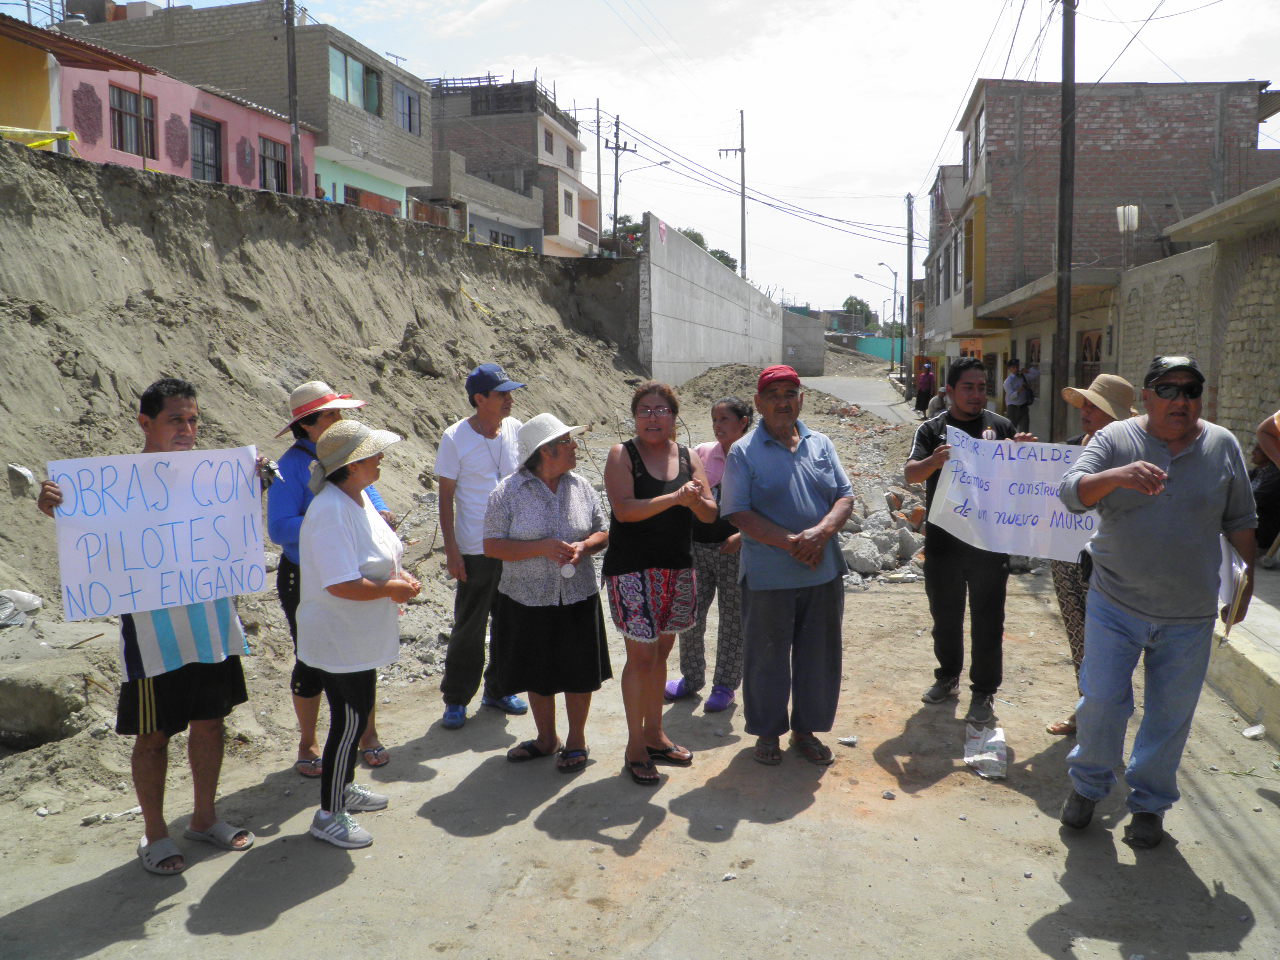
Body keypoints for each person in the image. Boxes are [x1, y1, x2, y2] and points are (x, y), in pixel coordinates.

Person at [37, 378, 254, 876]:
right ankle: (155, 833)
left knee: (211, 723)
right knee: (153, 736)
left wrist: (251, 479)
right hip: (154, 638)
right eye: (177, 419)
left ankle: (204, 818)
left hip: (212, 626)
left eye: (194, 419)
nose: (188, 429)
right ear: (145, 423)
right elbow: (87, 534)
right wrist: (58, 504)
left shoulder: (211, 476)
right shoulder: (111, 483)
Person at [1057, 356, 1255, 849]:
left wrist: (1243, 588)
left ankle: (1148, 805)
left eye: (1191, 390)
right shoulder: (1114, 440)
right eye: (1169, 389)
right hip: (1115, 601)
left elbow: (1241, 520)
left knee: (1170, 715)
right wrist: (1118, 476)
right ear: (1147, 397)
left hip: (1189, 614)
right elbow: (1070, 494)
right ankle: (1088, 786)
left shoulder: (1222, 445)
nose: (1181, 400)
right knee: (1102, 701)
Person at [721, 365, 854, 766]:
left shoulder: (821, 443)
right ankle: (767, 733)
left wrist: (822, 532)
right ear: (759, 403)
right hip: (768, 576)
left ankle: (806, 732)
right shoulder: (743, 451)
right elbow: (737, 513)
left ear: (801, 399)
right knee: (766, 657)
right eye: (774, 394)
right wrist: (795, 543)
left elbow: (845, 496)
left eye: (790, 392)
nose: (783, 401)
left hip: (822, 572)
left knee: (819, 656)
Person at [297, 420, 421, 848]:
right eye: (372, 454)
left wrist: (397, 575)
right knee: (349, 720)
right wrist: (393, 587)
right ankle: (329, 812)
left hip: (356, 635)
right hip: (338, 635)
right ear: (351, 466)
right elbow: (339, 582)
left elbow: (375, 556)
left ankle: (343, 789)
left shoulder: (356, 498)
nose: (381, 459)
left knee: (357, 710)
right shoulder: (330, 510)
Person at [267, 380, 395, 776]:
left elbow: (370, 501)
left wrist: (379, 517)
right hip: (306, 574)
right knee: (311, 660)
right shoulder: (289, 467)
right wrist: (335, 524)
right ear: (307, 425)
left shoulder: (347, 463)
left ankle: (367, 734)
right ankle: (308, 743)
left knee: (363, 651)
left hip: (352, 569)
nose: (339, 419)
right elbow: (279, 527)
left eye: (340, 413)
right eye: (331, 415)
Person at [905, 355, 1033, 725]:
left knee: (988, 621)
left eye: (982, 388)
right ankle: (947, 677)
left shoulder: (1002, 426)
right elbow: (911, 474)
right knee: (944, 618)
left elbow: (1021, 480)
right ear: (949, 391)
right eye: (968, 388)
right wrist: (934, 461)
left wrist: (1022, 454)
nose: (977, 395)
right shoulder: (932, 430)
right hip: (944, 544)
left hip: (990, 545)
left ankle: (984, 692)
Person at [603, 381, 718, 785]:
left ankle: (655, 734)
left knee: (661, 654)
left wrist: (697, 501)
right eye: (645, 411)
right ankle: (635, 745)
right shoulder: (622, 455)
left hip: (677, 569)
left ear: (674, 416)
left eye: (661, 410)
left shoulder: (688, 457)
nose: (653, 418)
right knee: (640, 659)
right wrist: (675, 499)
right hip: (632, 570)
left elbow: (708, 515)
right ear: (635, 418)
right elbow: (624, 511)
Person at [483, 413, 611, 773]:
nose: (575, 447)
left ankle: (575, 741)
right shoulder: (507, 492)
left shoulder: (581, 486)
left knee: (578, 671)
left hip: (577, 594)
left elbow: (603, 531)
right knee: (537, 672)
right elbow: (491, 546)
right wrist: (540, 548)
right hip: (527, 598)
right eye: (568, 442)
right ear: (546, 451)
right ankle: (545, 739)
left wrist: (585, 546)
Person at [435, 363, 528, 730]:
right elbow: (445, 499)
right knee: (470, 626)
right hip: (475, 549)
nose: (510, 399)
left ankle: (499, 689)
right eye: (502, 393)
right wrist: (452, 552)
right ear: (479, 399)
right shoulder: (455, 437)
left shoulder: (516, 429)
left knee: (510, 623)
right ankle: (456, 698)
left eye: (510, 392)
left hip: (514, 546)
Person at [1046, 374, 1136, 737]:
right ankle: (1086, 709)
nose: (1084, 412)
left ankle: (1105, 718)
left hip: (1107, 562)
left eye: (1094, 407)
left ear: (1114, 417)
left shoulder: (1129, 457)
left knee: (1109, 642)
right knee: (1078, 637)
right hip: (1065, 557)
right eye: (1085, 404)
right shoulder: (1069, 450)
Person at [665, 397, 753, 712]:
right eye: (715, 420)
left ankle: (725, 686)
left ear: (743, 422)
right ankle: (691, 679)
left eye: (725, 419)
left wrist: (743, 537)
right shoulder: (703, 454)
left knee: (732, 620)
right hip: (697, 549)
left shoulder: (754, 458)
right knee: (690, 615)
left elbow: (767, 506)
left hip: (735, 550)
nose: (718, 426)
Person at [1003, 358, 1031, 432]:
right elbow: (1012, 396)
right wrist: (1020, 390)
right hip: (1013, 408)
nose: (1016, 369)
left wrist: (1028, 372)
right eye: (1014, 367)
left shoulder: (1022, 376)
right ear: (1010, 369)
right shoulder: (1008, 382)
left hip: (1023, 406)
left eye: (1017, 366)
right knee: (1011, 431)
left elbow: (1036, 374)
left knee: (1025, 430)